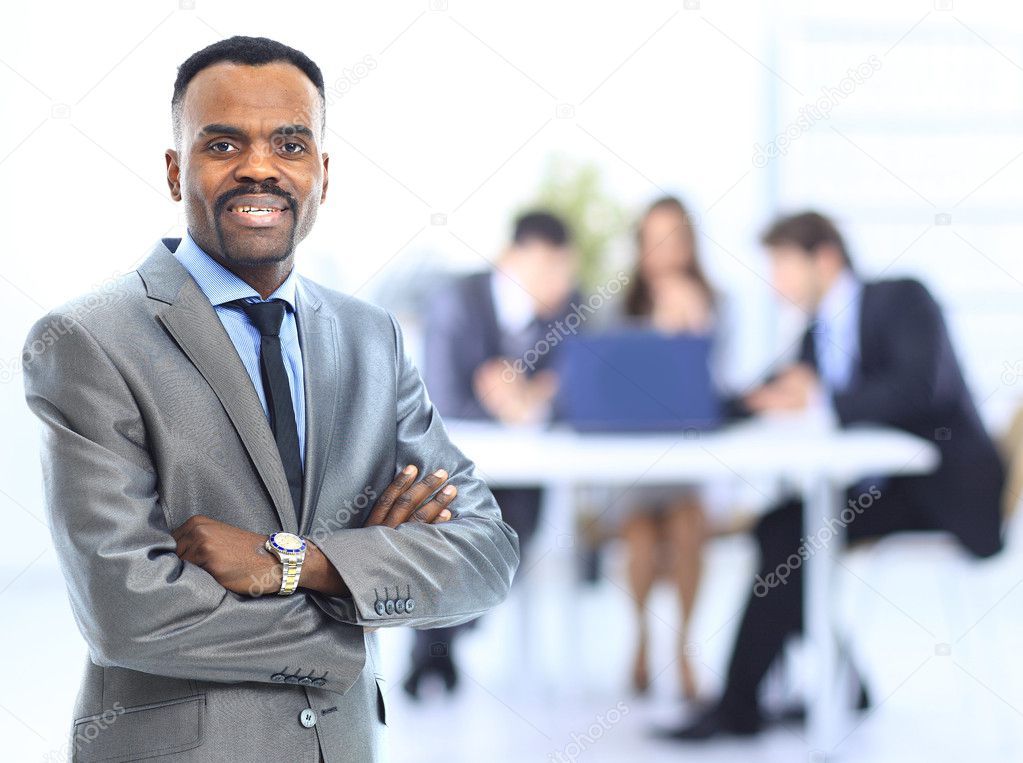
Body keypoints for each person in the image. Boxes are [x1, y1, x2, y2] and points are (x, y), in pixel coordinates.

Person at [21, 36, 519, 763]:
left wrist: (297, 561)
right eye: (222, 143)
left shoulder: (369, 335)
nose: (259, 166)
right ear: (174, 170)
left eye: (289, 142)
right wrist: (364, 598)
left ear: (322, 171)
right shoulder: (86, 341)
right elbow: (130, 613)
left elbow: (484, 552)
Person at [660, 210, 1004, 740]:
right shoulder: (814, 336)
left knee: (790, 535)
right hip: (881, 489)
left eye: (782, 265)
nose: (775, 283)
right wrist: (688, 339)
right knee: (777, 529)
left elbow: (919, 387)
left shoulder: (901, 298)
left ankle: (742, 708)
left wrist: (818, 398)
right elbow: (754, 397)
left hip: (945, 489)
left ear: (825, 258)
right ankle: (831, 686)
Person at [404, 210, 579, 697]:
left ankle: (436, 647)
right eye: (543, 267)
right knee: (451, 536)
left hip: (523, 473)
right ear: (510, 259)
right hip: (454, 464)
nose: (554, 281)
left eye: (562, 269)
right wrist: (506, 404)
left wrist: (527, 400)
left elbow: (577, 386)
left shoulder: (569, 307)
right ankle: (438, 646)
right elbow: (443, 396)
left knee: (509, 540)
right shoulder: (457, 302)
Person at [608, 195, 717, 699]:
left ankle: (684, 646)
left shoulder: (715, 303)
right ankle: (640, 638)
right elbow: (605, 379)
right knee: (642, 535)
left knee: (688, 524)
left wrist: (694, 328)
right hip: (631, 465)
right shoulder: (617, 306)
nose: (665, 253)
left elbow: (723, 387)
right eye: (654, 241)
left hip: (687, 463)